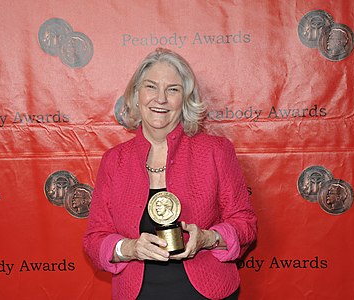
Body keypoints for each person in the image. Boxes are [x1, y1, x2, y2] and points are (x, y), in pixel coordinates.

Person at [83, 48, 257, 300]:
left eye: (173, 89)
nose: (161, 99)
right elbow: (94, 240)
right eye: (151, 87)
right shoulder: (114, 160)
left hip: (208, 293)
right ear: (136, 94)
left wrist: (208, 238)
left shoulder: (216, 151)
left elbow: (245, 224)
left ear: (185, 99)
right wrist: (130, 248)